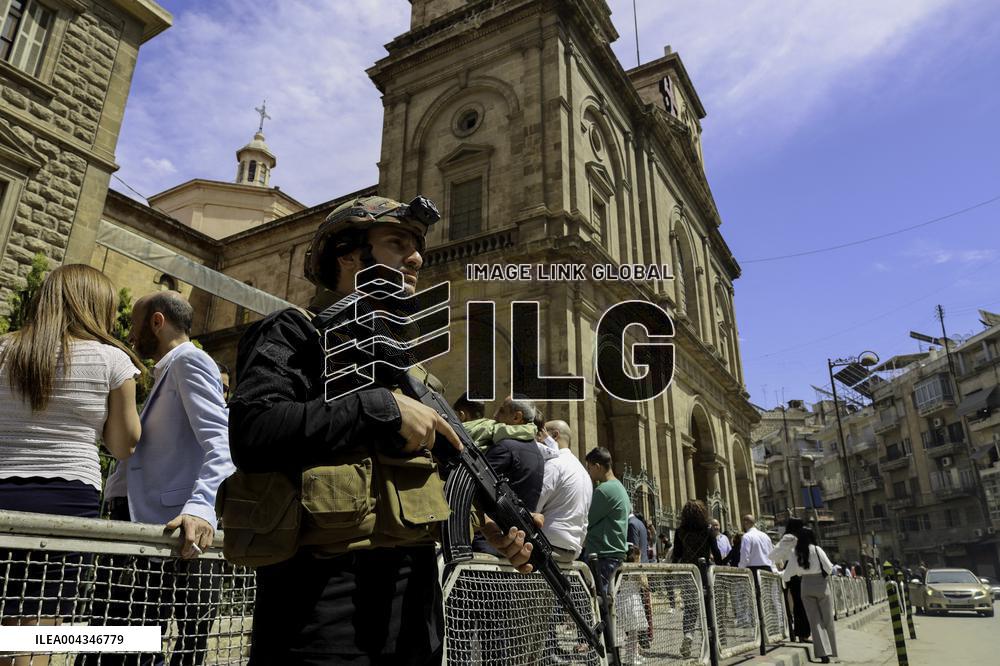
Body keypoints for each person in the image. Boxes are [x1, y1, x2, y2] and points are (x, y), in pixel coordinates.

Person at [226, 195, 537, 664]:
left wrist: (488, 522)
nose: (416, 258)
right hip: (321, 607)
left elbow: (433, 477)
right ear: (348, 255)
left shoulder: (413, 374)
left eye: (417, 247)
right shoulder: (294, 334)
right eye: (397, 243)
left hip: (417, 613)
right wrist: (379, 408)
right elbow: (253, 432)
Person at [84, 291, 234, 666]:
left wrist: (201, 506)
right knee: (116, 640)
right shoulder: (168, 368)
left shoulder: (190, 361)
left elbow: (221, 443)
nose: (131, 336)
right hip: (137, 518)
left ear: (156, 322)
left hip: (161, 528)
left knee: (127, 644)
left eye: (135, 326)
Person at [0, 264, 141, 652]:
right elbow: (123, 445)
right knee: (36, 630)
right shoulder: (114, 361)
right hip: (66, 496)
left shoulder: (4, 348)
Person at [534, 419, 592, 563]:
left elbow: (534, 507)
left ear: (554, 435)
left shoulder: (554, 464)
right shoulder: (583, 472)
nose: (537, 440)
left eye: (540, 435)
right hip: (571, 551)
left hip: (547, 547)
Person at [671, 500, 723, 658]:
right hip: (705, 572)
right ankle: (710, 641)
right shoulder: (708, 531)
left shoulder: (680, 531)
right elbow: (717, 553)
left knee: (690, 608)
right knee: (708, 607)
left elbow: (677, 555)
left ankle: (688, 636)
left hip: (689, 574)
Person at [781, 529, 837, 663]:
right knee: (827, 618)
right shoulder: (817, 550)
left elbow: (787, 573)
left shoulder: (796, 553)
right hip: (821, 585)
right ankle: (832, 650)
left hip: (805, 585)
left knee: (814, 621)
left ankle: (823, 654)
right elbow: (829, 568)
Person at [583, 447, 630, 595]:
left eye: (589, 467)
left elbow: (586, 520)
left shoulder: (604, 490)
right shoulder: (619, 488)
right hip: (614, 556)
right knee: (607, 605)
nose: (588, 472)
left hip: (602, 557)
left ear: (598, 466)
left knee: (597, 604)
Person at [768, 518, 810, 643]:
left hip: (793, 570)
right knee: (799, 602)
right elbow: (773, 555)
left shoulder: (791, 538)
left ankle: (796, 633)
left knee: (794, 602)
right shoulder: (794, 537)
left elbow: (773, 555)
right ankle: (801, 634)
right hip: (797, 571)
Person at [615, 545, 648, 666]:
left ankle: (632, 656)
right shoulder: (635, 568)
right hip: (632, 601)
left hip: (622, 600)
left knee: (628, 632)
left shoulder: (621, 568)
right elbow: (644, 583)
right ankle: (631, 658)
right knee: (633, 633)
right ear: (635, 557)